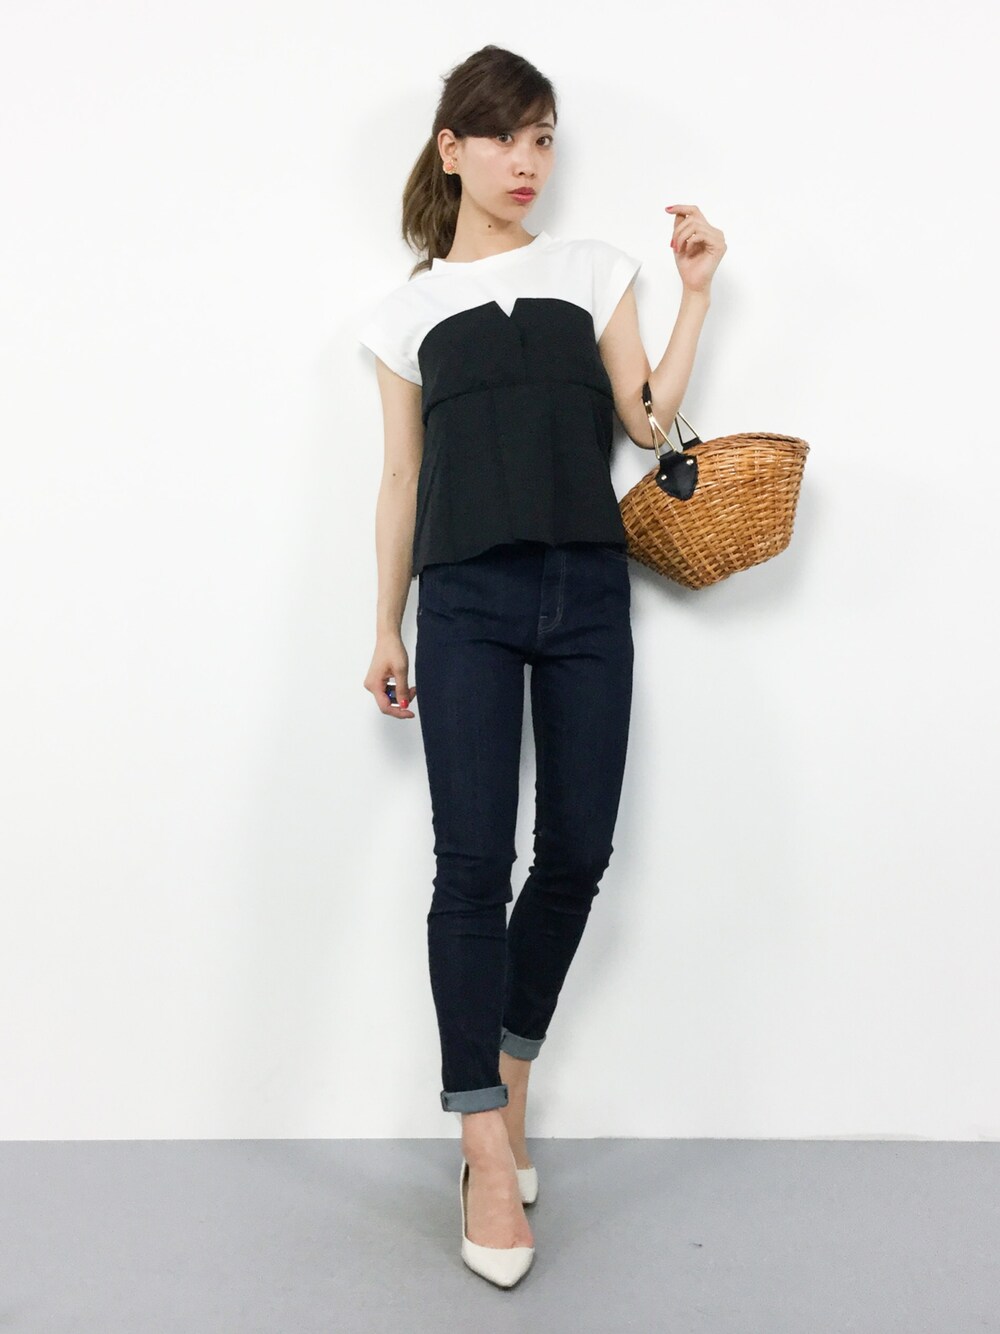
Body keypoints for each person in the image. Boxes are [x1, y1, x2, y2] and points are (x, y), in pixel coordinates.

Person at [358, 44, 726, 1288]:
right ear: (451, 147)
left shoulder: (594, 270)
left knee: (575, 850)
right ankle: (480, 1140)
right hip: (462, 597)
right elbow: (399, 478)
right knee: (472, 864)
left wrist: (694, 295)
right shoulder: (402, 314)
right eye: (506, 136)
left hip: (585, 591)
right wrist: (385, 623)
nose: (528, 161)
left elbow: (647, 420)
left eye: (544, 138)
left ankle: (508, 1073)